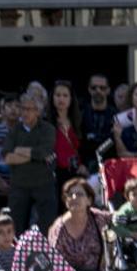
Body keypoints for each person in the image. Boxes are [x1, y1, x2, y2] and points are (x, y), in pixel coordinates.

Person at [49, 178, 137, 271]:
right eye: (70, 195)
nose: (74, 197)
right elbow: (52, 260)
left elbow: (120, 217)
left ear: (89, 200)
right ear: (65, 200)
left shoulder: (97, 217)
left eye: (79, 194)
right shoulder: (59, 228)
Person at [3, 93, 56, 235]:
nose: (25, 112)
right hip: (19, 185)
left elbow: (44, 152)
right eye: (23, 108)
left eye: (29, 109)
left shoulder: (47, 129)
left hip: (43, 183)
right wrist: (34, 155)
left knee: (47, 226)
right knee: (16, 226)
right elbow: (7, 157)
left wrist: (19, 150)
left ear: (38, 111)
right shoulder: (15, 130)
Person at [47, 80, 85, 210]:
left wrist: (83, 165)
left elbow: (84, 147)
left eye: (65, 95)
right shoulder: (46, 122)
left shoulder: (79, 120)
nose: (61, 99)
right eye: (57, 95)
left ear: (71, 99)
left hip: (76, 172)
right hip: (55, 174)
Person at [0, 94, 17, 214]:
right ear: (2, 109)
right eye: (10, 106)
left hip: (19, 189)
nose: (14, 109)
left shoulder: (25, 131)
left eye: (17, 106)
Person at [81, 74, 117, 166]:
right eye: (94, 88)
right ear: (89, 90)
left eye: (102, 88)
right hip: (85, 167)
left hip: (110, 165)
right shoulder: (81, 114)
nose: (98, 91)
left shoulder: (117, 116)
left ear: (108, 90)